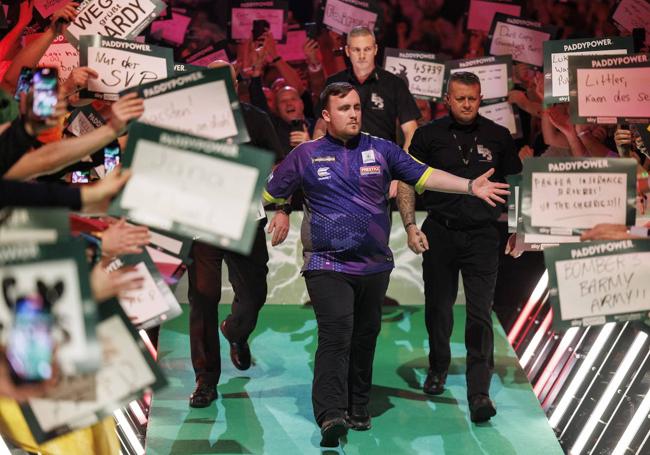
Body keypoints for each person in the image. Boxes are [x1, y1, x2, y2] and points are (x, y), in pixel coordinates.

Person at [263, 82, 509, 447]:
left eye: (357, 107)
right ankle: (330, 413)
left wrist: (470, 186)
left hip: (374, 266)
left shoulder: (382, 149)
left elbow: (424, 176)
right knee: (336, 334)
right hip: (326, 263)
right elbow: (269, 190)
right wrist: (281, 210)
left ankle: (358, 404)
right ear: (326, 116)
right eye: (344, 108)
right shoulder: (305, 155)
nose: (353, 113)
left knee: (365, 337)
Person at [396, 71, 522, 423]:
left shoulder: (498, 136)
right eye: (460, 98)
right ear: (447, 99)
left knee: (481, 313)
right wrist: (408, 225)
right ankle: (437, 366)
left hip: (483, 234)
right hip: (440, 231)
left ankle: (478, 391)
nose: (467, 104)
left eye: (473, 98)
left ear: (481, 98)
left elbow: (518, 183)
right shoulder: (427, 135)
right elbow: (408, 180)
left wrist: (521, 230)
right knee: (439, 307)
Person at [187, 61, 287, 408]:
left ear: (236, 81)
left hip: (245, 216)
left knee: (255, 291)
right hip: (201, 220)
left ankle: (236, 331)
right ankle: (205, 379)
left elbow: (279, 168)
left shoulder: (255, 118)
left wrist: (282, 209)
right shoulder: (187, 120)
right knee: (202, 297)